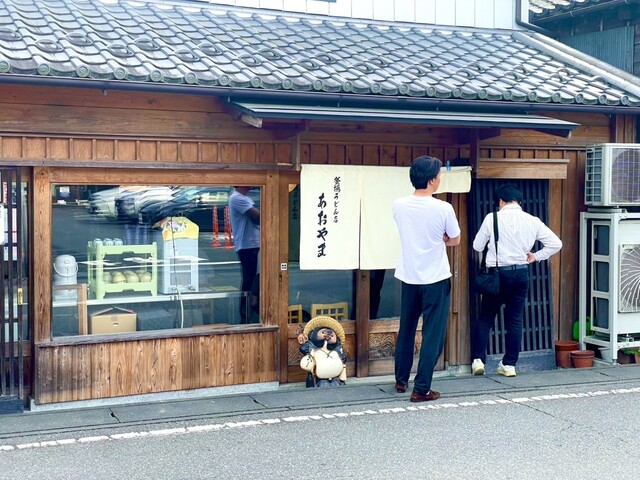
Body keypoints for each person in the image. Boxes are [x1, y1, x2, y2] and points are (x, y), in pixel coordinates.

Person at [471, 183, 562, 377]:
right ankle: (509, 364)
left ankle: (478, 361)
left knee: (486, 317)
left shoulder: (492, 218)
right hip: (520, 273)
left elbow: (477, 246)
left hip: (497, 274)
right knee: (515, 319)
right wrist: (535, 256)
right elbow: (556, 244)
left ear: (501, 201)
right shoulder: (533, 220)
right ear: (518, 201)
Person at [392, 155, 461, 403]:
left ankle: (401, 380)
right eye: (439, 175)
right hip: (435, 277)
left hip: (409, 276)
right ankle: (421, 388)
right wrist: (443, 239)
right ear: (432, 180)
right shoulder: (443, 208)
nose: (440, 179)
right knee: (433, 332)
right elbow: (455, 239)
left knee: (407, 328)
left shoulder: (399, 205)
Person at [228, 186, 260, 323]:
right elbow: (258, 216)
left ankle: (251, 310)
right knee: (249, 280)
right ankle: (245, 314)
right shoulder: (237, 198)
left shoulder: (244, 198)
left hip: (251, 244)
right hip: (248, 245)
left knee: (254, 280)